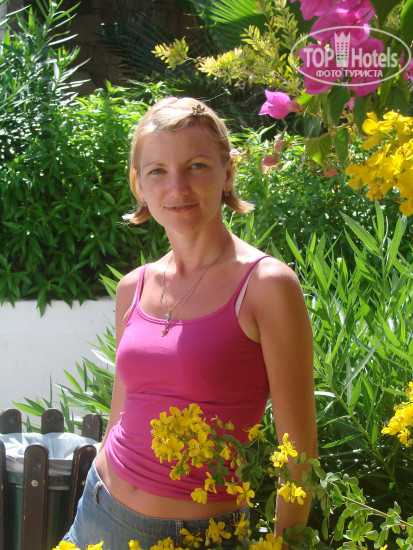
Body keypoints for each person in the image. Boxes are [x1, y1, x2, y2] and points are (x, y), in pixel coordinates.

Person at [62, 97, 317, 550]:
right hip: (98, 512)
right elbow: (122, 410)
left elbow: (299, 453)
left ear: (228, 172)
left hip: (198, 537)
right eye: (157, 171)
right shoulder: (133, 287)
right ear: (139, 185)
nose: (176, 187)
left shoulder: (266, 286)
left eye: (196, 166)